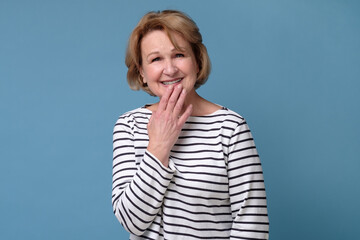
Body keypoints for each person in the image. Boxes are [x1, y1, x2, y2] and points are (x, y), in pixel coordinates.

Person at [112, 10, 269, 240]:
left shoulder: (231, 128)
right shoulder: (129, 125)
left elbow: (252, 227)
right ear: (142, 72)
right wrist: (159, 146)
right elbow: (131, 222)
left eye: (179, 55)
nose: (170, 69)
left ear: (197, 61)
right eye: (156, 59)